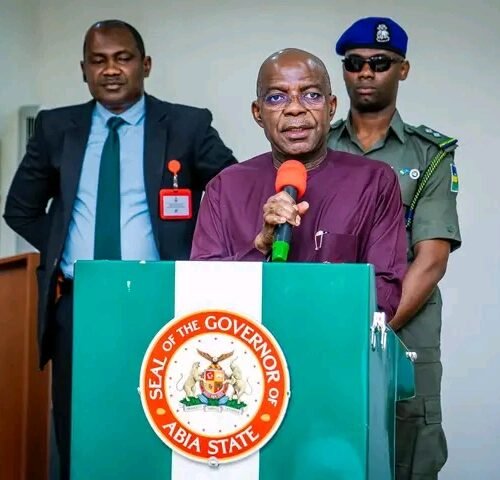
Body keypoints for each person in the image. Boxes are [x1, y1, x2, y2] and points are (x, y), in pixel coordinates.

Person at [3, 19, 236, 479]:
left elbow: (232, 196)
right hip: (79, 302)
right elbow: (20, 209)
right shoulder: (56, 128)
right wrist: (62, 246)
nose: (111, 70)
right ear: (84, 70)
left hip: (164, 300)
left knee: (165, 418)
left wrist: (196, 253)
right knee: (79, 424)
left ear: (144, 65)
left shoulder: (186, 125)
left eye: (123, 58)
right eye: (98, 60)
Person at [328, 17, 461, 480]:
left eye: (380, 63)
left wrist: (372, 333)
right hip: (323, 328)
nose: (366, 72)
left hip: (406, 331)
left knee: (410, 450)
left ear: (401, 70)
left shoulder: (429, 155)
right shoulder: (314, 147)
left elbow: (431, 259)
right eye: (356, 63)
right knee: (322, 439)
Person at [191, 48, 407, 319]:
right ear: (258, 113)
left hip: (334, 347)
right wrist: (259, 248)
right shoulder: (224, 188)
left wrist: (307, 321)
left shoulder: (374, 182)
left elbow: (383, 294)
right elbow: (201, 292)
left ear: (331, 107)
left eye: (311, 95)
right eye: (277, 97)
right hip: (250, 353)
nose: (294, 108)